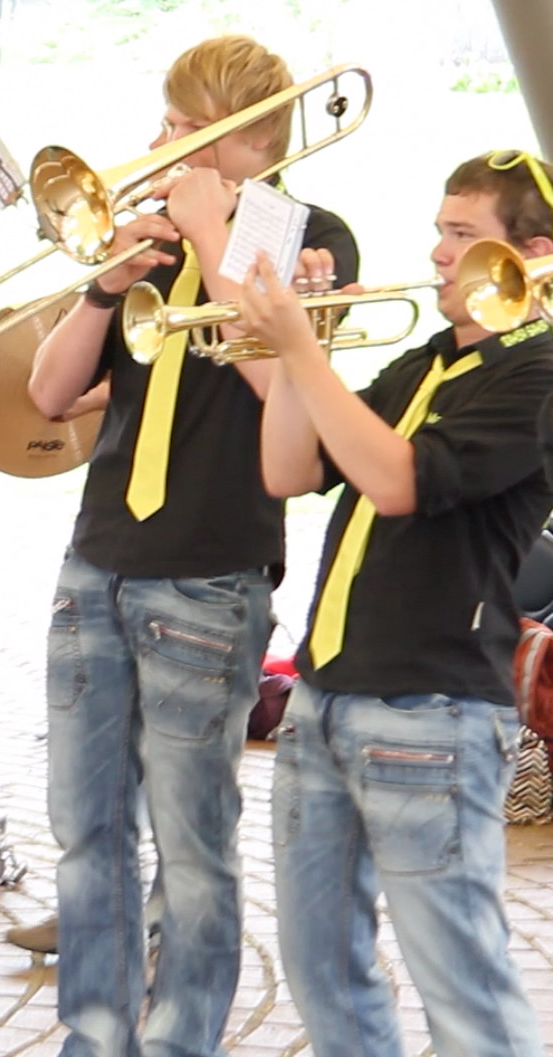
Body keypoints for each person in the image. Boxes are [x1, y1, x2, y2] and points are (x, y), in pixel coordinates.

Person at [24, 34, 360, 1056]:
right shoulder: (155, 239)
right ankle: (93, 1037)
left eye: (186, 127)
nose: (164, 142)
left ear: (249, 137)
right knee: (85, 832)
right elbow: (48, 394)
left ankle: (179, 1040)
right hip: (98, 560)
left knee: (192, 844)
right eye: (168, 122)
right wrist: (104, 281)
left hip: (210, 573)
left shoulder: (311, 239)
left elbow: (282, 389)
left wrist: (214, 236)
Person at [243, 150, 553, 1057]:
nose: (436, 255)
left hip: (432, 707)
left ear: (534, 253)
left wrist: (303, 350)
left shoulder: (538, 372)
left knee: (462, 986)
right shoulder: (425, 362)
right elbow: (287, 468)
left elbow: (396, 482)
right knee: (320, 967)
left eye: (461, 235)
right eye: (438, 231)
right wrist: (296, 352)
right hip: (325, 696)